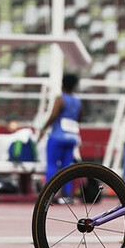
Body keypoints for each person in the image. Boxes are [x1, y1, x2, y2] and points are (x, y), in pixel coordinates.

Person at [38, 74, 82, 202]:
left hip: (57, 136)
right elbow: (79, 118)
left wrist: (43, 129)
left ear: (62, 84)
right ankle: (67, 196)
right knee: (67, 166)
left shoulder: (60, 98)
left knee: (52, 164)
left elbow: (53, 116)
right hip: (71, 137)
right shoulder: (78, 102)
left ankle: (48, 195)